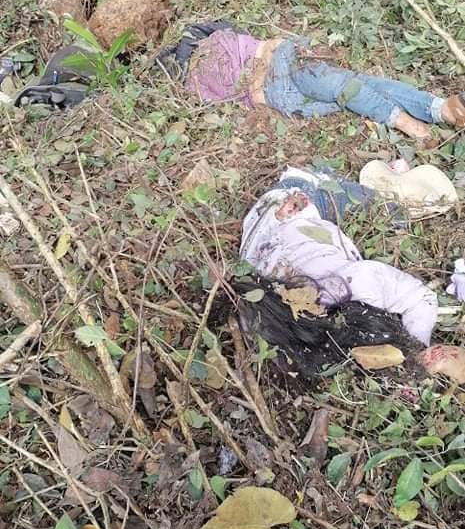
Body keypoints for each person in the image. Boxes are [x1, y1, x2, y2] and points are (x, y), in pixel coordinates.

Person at [157, 20, 465, 139]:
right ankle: (436, 109)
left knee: (344, 86)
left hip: (286, 63)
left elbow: (263, 44)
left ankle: (421, 117)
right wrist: (260, 72)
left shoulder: (209, 39)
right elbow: (248, 94)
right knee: (355, 88)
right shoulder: (196, 80)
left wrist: (263, 62)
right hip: (278, 91)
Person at [239, 171, 438, 346]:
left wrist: (416, 346)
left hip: (286, 207)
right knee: (396, 214)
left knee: (396, 214)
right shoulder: (280, 326)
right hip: (289, 207)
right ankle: (319, 175)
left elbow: (422, 299)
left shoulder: (358, 285)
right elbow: (422, 299)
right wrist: (416, 347)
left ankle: (319, 175)